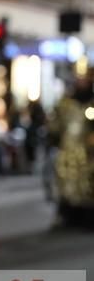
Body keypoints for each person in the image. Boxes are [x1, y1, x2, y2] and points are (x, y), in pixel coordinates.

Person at [48, 73, 94, 226]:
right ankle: (69, 215)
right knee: (67, 183)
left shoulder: (91, 104)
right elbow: (56, 126)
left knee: (87, 184)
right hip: (68, 150)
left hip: (88, 152)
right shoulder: (65, 104)